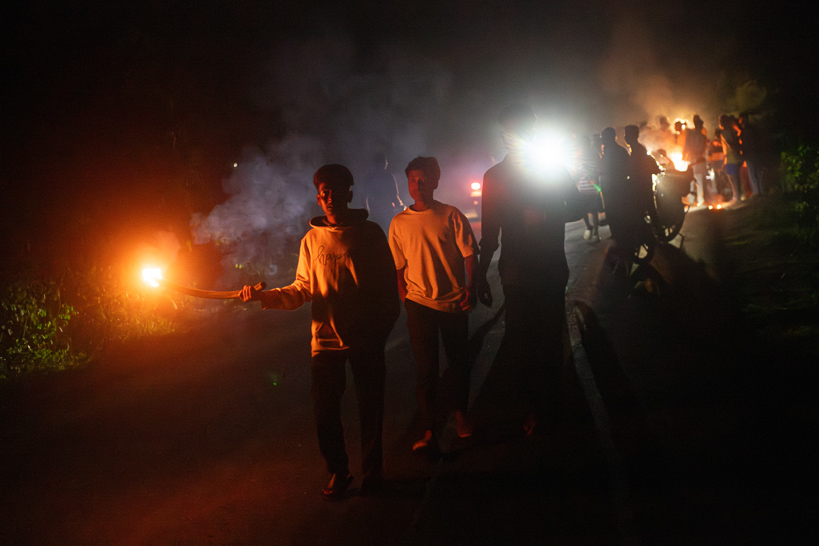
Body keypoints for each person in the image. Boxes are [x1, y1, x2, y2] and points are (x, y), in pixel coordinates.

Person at [240, 164, 399, 500]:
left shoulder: (370, 234)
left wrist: (379, 331)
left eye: (335, 191)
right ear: (318, 197)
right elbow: (302, 288)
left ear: (348, 194)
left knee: (370, 408)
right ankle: (339, 471)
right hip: (325, 341)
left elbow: (388, 289)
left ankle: (373, 471)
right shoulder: (311, 240)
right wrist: (263, 297)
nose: (329, 198)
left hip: (365, 339)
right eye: (324, 192)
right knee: (324, 411)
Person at [476, 104, 583, 432]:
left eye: (520, 130)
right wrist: (479, 274)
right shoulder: (494, 177)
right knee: (523, 342)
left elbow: (578, 207)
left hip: (548, 269)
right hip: (517, 273)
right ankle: (536, 407)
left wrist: (547, 215)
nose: (513, 136)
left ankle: (548, 405)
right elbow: (490, 232)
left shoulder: (550, 171)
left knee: (548, 338)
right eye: (509, 131)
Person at [388, 156, 478, 452]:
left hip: (452, 301)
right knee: (426, 369)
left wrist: (471, 287)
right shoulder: (399, 223)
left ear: (436, 182)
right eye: (412, 180)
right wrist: (403, 293)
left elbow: (469, 253)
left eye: (423, 179)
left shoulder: (451, 215)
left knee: (457, 363)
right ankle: (429, 428)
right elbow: (398, 265)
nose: (417, 185)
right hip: (419, 303)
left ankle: (461, 415)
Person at [357, 153, 404, 232]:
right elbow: (394, 196)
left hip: (379, 213)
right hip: (384, 213)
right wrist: (400, 207)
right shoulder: (387, 178)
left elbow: (363, 197)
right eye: (384, 163)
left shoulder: (370, 178)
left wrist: (366, 210)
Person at [572, 134, 603, 242]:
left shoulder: (578, 156)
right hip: (592, 187)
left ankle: (591, 228)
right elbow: (600, 169)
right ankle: (595, 233)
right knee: (593, 212)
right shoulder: (594, 154)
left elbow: (575, 173)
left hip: (584, 188)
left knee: (584, 210)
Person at [683, 115, 709, 205]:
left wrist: (684, 157)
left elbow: (686, 147)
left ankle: (692, 199)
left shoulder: (691, 135)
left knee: (692, 180)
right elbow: (704, 149)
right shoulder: (702, 137)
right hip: (699, 161)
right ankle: (699, 199)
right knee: (699, 180)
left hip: (693, 160)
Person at [719, 114, 743, 203]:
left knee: (733, 178)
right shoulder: (732, 130)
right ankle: (737, 196)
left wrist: (725, 160)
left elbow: (729, 145)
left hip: (731, 158)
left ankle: (737, 197)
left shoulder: (725, 132)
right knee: (736, 178)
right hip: (735, 157)